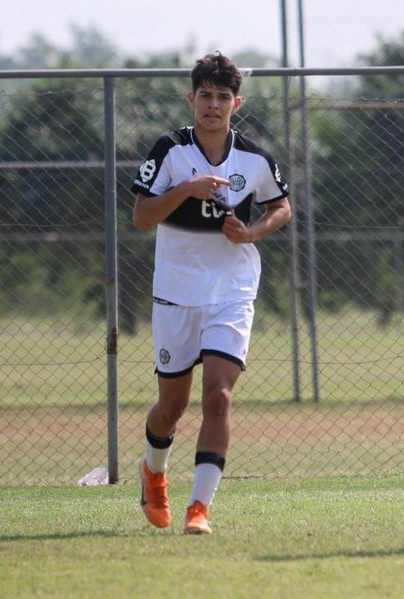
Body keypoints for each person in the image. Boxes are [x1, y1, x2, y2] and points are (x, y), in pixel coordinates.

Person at [131, 52, 291, 533]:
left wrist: (254, 232)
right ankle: (153, 472)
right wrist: (187, 190)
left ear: (236, 103)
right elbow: (141, 216)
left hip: (231, 290)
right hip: (177, 293)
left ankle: (199, 508)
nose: (214, 105)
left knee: (218, 397)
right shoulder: (171, 150)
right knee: (171, 408)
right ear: (192, 98)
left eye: (223, 97)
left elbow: (281, 208)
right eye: (206, 95)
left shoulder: (255, 158)